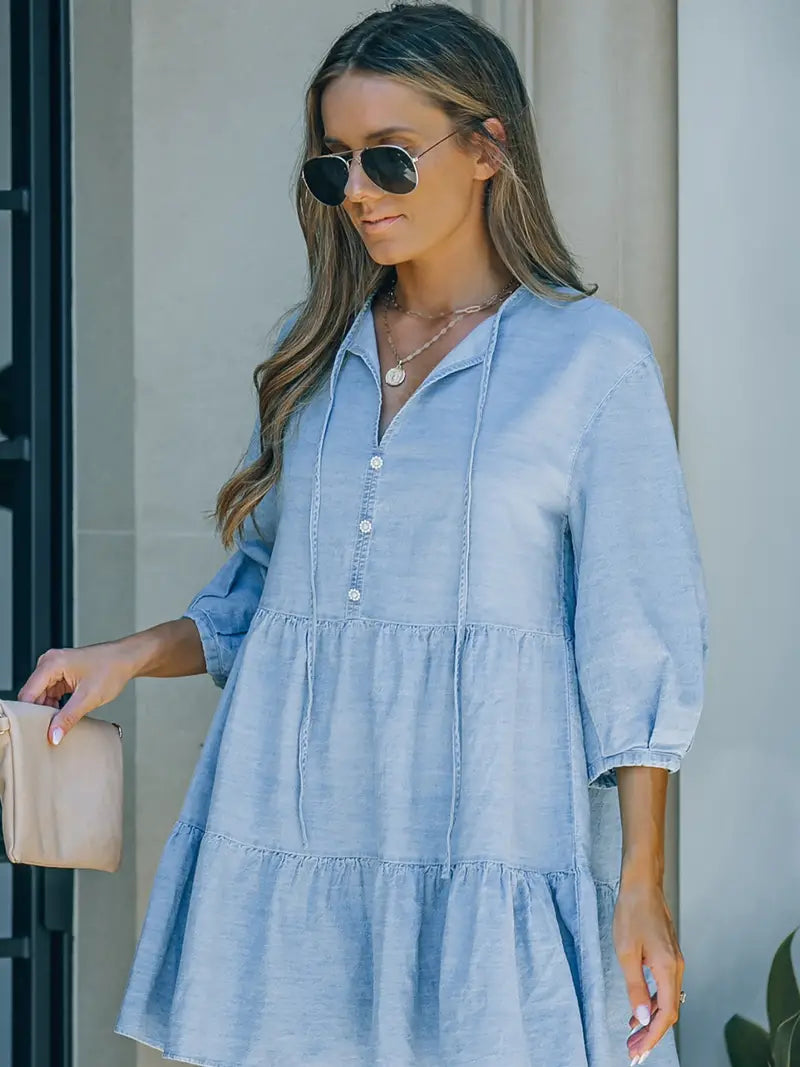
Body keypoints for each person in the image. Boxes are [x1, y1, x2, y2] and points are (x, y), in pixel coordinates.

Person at [19, 4, 709, 1065]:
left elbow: (634, 640)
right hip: (296, 827)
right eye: (332, 167)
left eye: (387, 158)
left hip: (485, 831)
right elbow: (261, 598)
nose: (359, 195)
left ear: (488, 148)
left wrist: (640, 886)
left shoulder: (593, 361)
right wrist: (124, 656)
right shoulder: (312, 360)